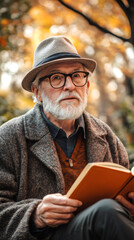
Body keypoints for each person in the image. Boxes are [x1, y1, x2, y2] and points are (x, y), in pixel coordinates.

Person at [0, 36, 134, 240]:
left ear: (87, 86)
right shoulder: (8, 137)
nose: (70, 85)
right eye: (56, 78)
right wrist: (35, 215)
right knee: (106, 211)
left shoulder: (106, 136)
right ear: (37, 92)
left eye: (77, 76)